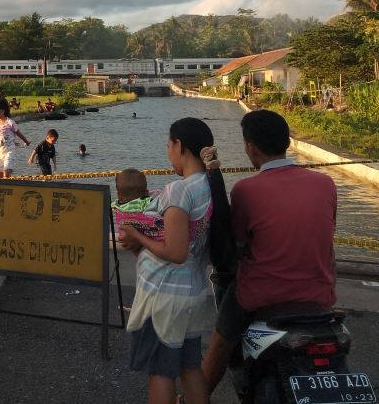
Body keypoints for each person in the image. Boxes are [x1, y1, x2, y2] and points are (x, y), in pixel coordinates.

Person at [201, 110, 336, 395]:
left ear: (250, 147)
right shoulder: (325, 183)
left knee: (221, 339)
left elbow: (236, 243)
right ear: (286, 141)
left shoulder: (246, 190)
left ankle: (195, 396)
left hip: (262, 293)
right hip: (319, 292)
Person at [119, 118, 213, 404]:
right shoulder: (210, 186)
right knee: (190, 367)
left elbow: (175, 252)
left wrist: (137, 236)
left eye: (168, 146)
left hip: (164, 296)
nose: (167, 153)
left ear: (179, 145)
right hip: (192, 292)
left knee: (161, 372)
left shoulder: (178, 190)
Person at [112, 169, 164, 242]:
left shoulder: (117, 207)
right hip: (155, 238)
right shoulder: (149, 202)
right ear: (147, 193)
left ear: (119, 197)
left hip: (128, 238)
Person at [0, 97, 30, 179]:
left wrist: (26, 141)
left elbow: (18, 133)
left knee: (6, 173)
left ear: (3, 110)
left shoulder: (10, 123)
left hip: (9, 151)